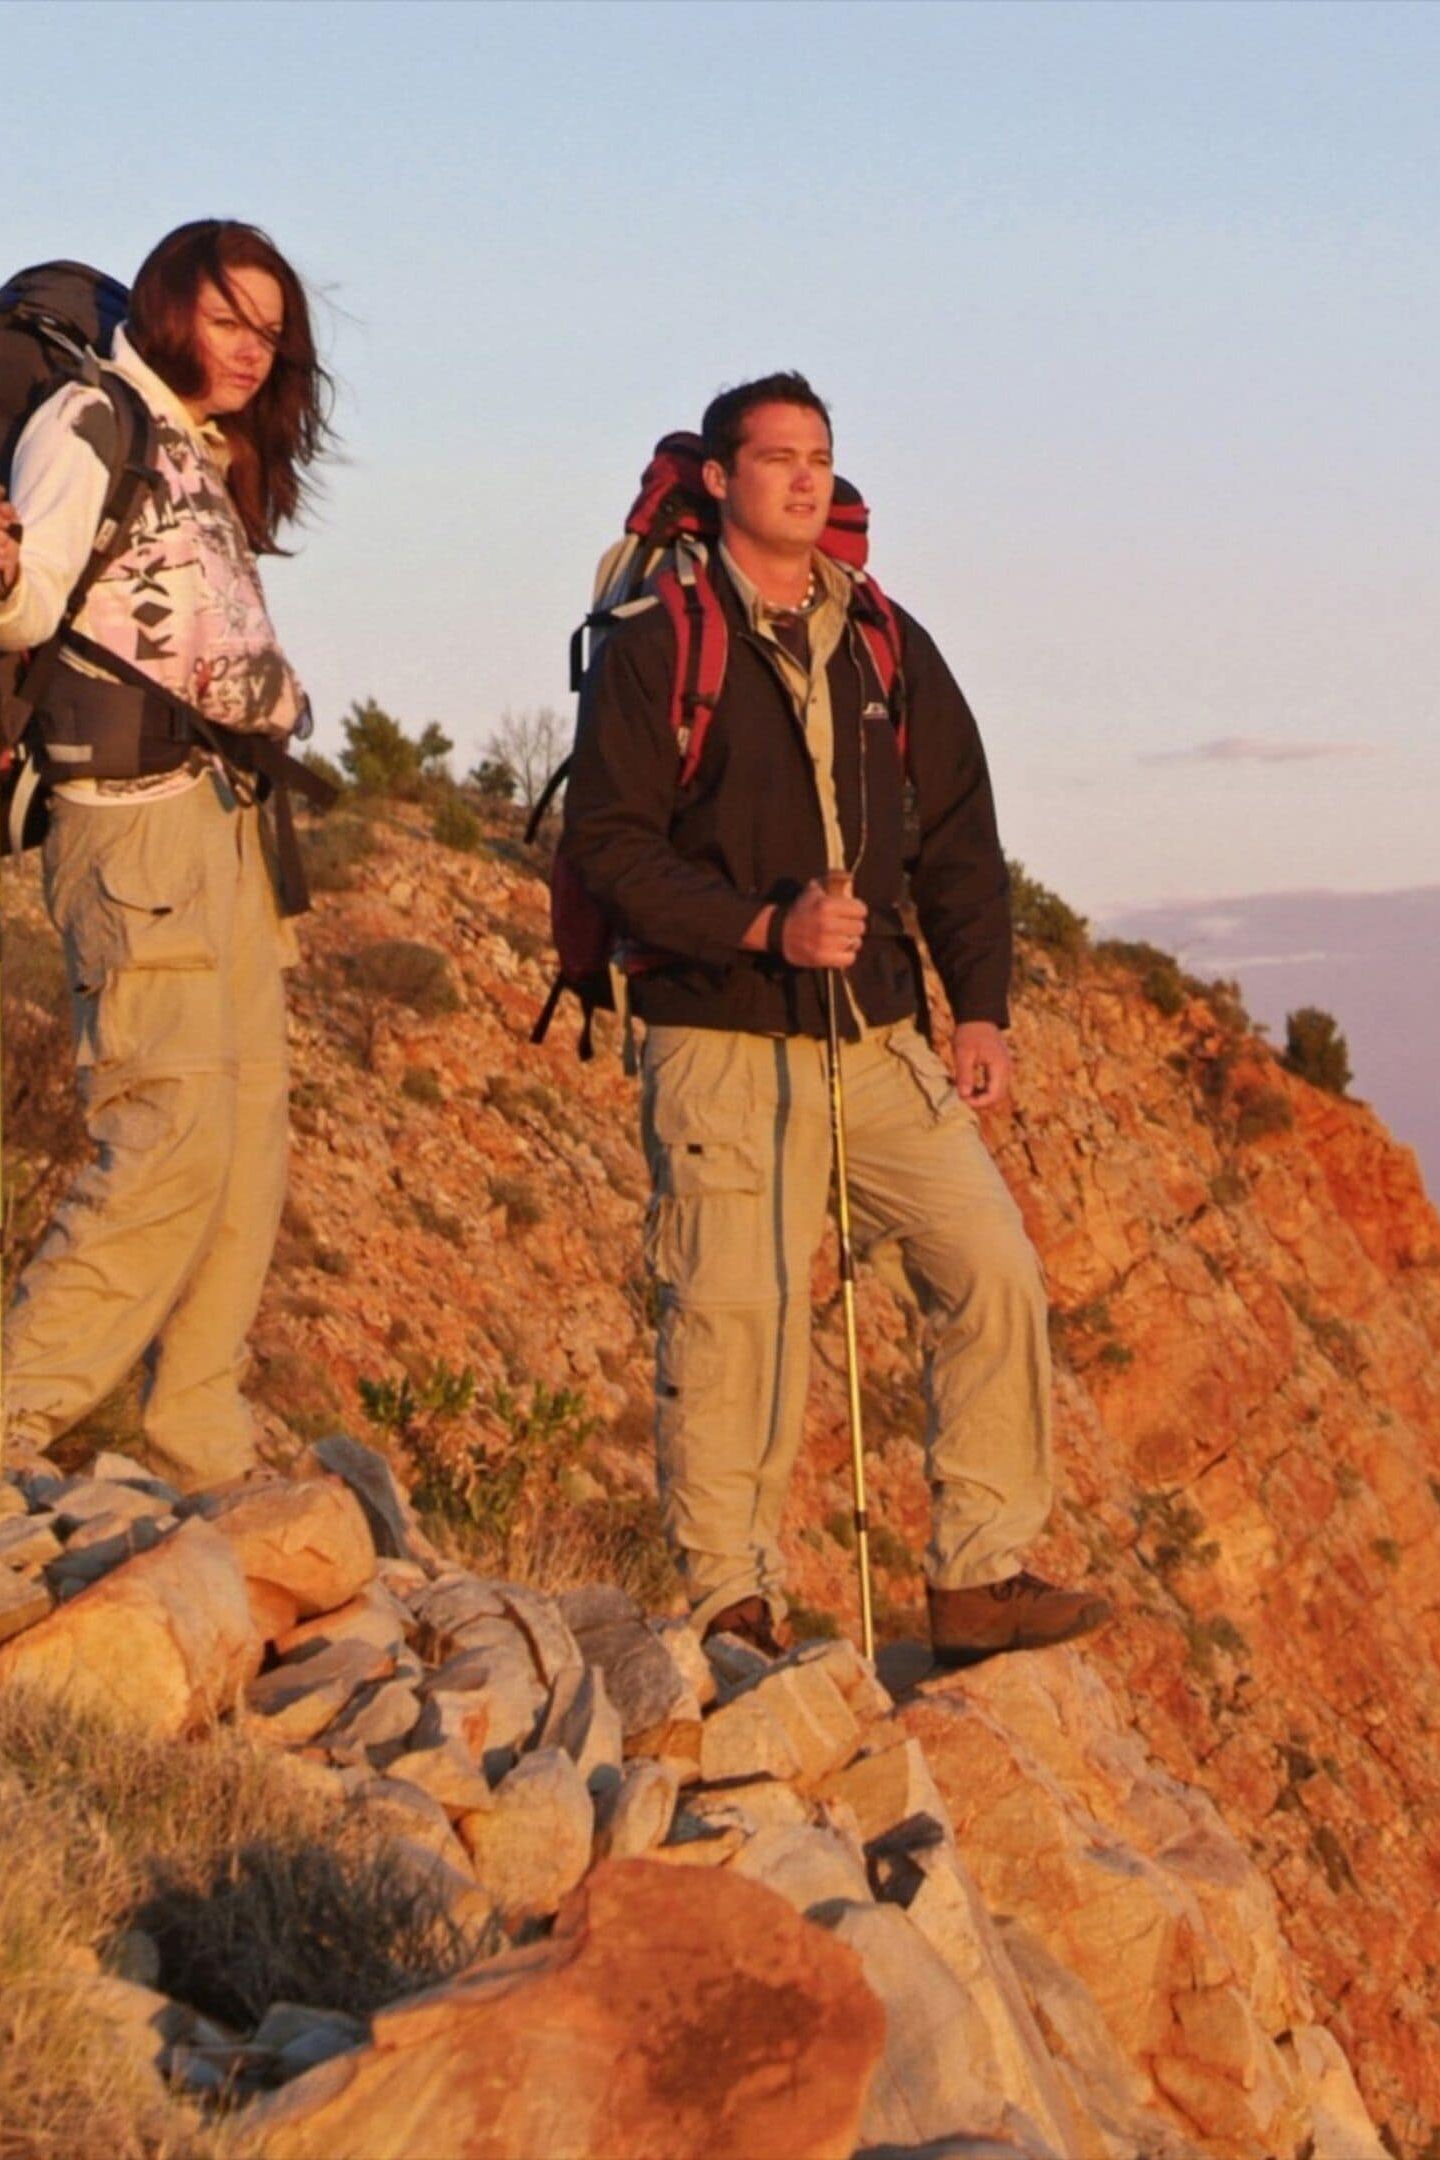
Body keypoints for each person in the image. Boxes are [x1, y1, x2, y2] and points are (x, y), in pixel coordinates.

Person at [563, 372, 1109, 1662]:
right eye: (778, 458)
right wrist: (768, 930)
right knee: (737, 1316)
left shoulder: (881, 637)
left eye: (820, 456)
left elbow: (960, 835)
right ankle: (730, 1603)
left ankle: (978, 1576)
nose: (806, 478)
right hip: (720, 1034)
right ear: (719, 479)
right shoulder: (659, 641)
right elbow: (609, 848)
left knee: (990, 1268)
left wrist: (981, 1012)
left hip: (873, 1036)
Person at [0, 219, 333, 1493]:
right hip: (134, 828)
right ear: (167, 310)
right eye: (229, 320)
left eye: (270, 331)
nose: (252, 350)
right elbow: (25, 602)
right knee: (168, 1134)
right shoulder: (91, 418)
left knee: (249, 1145)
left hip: (223, 822)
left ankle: (199, 1440)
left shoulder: (195, 449)